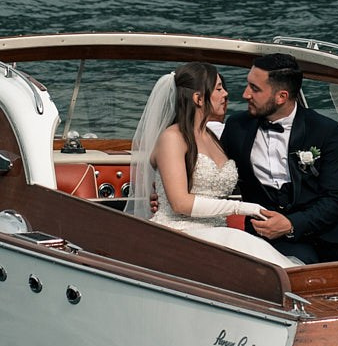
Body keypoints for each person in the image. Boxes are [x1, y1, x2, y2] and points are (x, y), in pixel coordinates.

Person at [219, 51, 338, 266]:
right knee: (301, 269)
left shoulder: (326, 131)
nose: (245, 94)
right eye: (248, 84)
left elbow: (335, 198)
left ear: (281, 96)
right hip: (269, 233)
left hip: (329, 229)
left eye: (255, 88)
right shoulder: (237, 127)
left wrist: (292, 223)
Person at [126, 62, 297, 268]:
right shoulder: (172, 138)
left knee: (267, 259)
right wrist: (242, 207)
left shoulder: (215, 136)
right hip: (180, 233)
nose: (226, 93)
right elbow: (180, 203)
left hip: (219, 230)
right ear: (198, 98)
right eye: (218, 88)